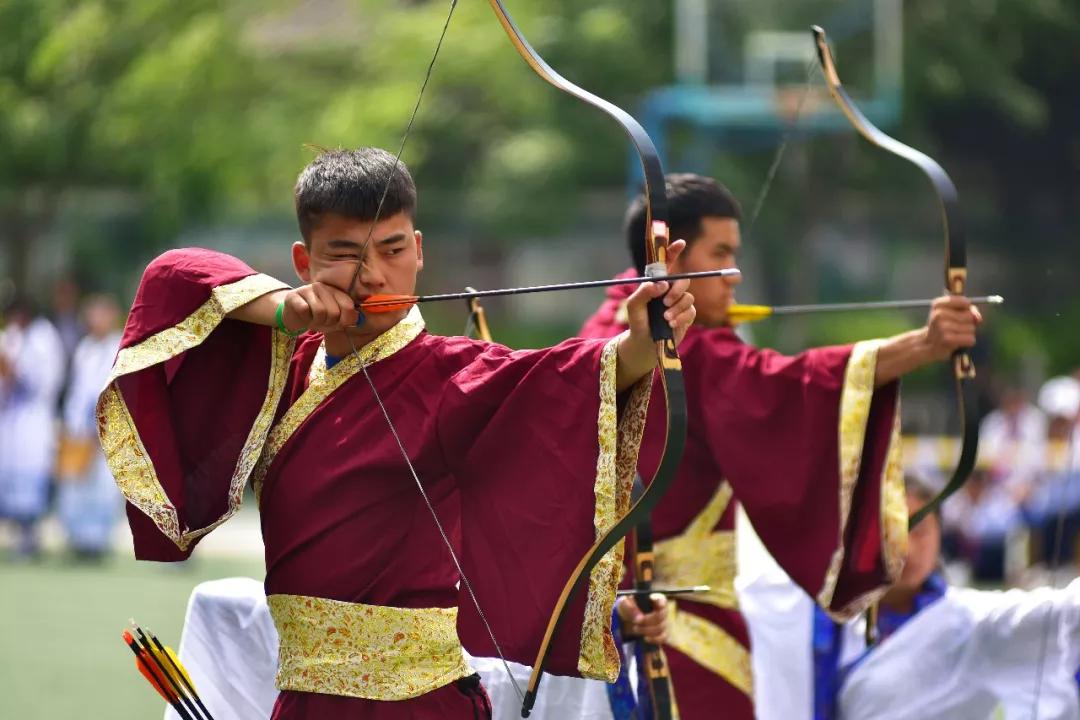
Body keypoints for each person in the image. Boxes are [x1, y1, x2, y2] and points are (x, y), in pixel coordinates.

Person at [99, 147, 696, 719]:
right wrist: (283, 308)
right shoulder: (285, 364)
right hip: (303, 701)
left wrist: (641, 340)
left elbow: (570, 373)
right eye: (344, 253)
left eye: (390, 250)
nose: (371, 275)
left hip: (420, 706)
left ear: (418, 252)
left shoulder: (449, 373)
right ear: (304, 263)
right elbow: (171, 277)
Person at [577, 173, 982, 719]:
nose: (734, 274)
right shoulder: (687, 350)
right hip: (682, 636)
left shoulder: (597, 332)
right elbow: (789, 389)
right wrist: (926, 343)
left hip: (596, 632)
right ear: (667, 258)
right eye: (719, 254)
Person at [807, 474, 1080, 720]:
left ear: (940, 533)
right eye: (890, 534)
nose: (906, 550)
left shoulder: (970, 622)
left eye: (920, 531)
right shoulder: (828, 621)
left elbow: (1067, 612)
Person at [56, 294, 124, 560]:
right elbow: (76, 390)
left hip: (107, 429)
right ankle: (78, 538)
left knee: (103, 487)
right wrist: (72, 423)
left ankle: (98, 541)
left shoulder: (118, 347)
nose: (96, 320)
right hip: (78, 430)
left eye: (101, 314)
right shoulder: (85, 348)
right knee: (75, 485)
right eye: (93, 315)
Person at [0, 296, 65, 560]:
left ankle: (31, 535)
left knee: (31, 476)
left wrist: (16, 373)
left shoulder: (44, 337)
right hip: (10, 419)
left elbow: (47, 380)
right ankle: (17, 534)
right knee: (10, 475)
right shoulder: (10, 336)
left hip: (34, 418)